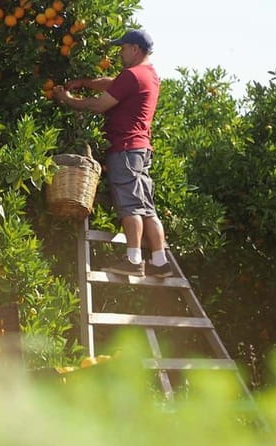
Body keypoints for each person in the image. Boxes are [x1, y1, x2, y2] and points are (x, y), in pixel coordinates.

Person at [52, 29, 172, 278]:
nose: (120, 52)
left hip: (126, 150)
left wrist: (69, 99)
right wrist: (85, 82)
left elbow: (98, 104)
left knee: (130, 207)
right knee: (146, 207)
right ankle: (160, 262)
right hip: (140, 150)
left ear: (135, 49)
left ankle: (134, 259)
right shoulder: (148, 74)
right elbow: (112, 83)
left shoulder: (132, 75)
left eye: (123, 48)